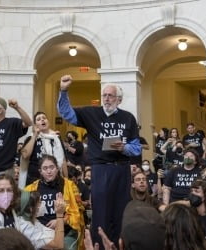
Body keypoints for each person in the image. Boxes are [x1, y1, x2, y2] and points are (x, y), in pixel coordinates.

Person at [57, 74, 141, 249]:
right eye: (104, 95)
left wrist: (123, 148)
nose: (107, 99)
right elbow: (66, 113)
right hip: (101, 169)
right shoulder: (91, 113)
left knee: (120, 213)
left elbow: (137, 148)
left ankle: (118, 246)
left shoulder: (128, 118)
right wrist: (64, 91)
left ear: (119, 99)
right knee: (101, 213)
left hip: (122, 169)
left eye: (110, 96)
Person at [24, 155, 84, 250]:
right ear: (40, 171)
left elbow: (78, 213)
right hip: (41, 232)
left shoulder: (69, 186)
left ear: (57, 168)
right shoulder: (31, 189)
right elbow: (25, 216)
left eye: (52, 167)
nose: (49, 171)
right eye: (45, 168)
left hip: (66, 232)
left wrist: (61, 221)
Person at [0, 97, 32, 177]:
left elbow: (28, 123)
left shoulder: (11, 123)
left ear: (0, 110)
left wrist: (17, 108)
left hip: (5, 171)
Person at [20, 111, 67, 186]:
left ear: (48, 122)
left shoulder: (56, 138)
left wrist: (66, 181)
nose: (42, 120)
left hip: (55, 180)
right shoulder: (31, 138)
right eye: (38, 119)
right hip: (35, 180)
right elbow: (25, 155)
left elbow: (63, 161)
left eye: (44, 118)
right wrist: (35, 135)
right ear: (35, 125)